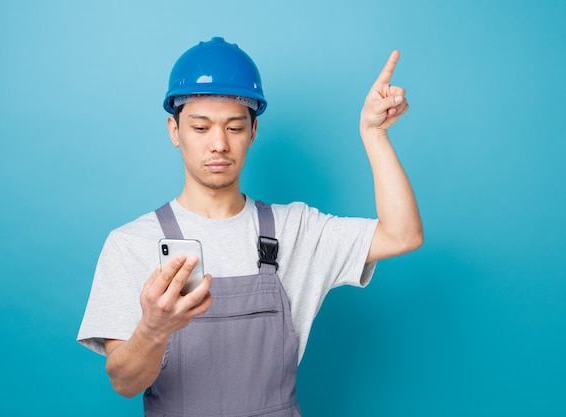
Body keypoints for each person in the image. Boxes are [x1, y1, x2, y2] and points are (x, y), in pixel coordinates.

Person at [77, 36, 422, 416]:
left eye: (235, 128)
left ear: (253, 133)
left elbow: (402, 234)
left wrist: (375, 135)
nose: (219, 144)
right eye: (201, 127)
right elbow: (124, 383)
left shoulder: (296, 230)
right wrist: (154, 328)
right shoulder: (132, 243)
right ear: (174, 131)